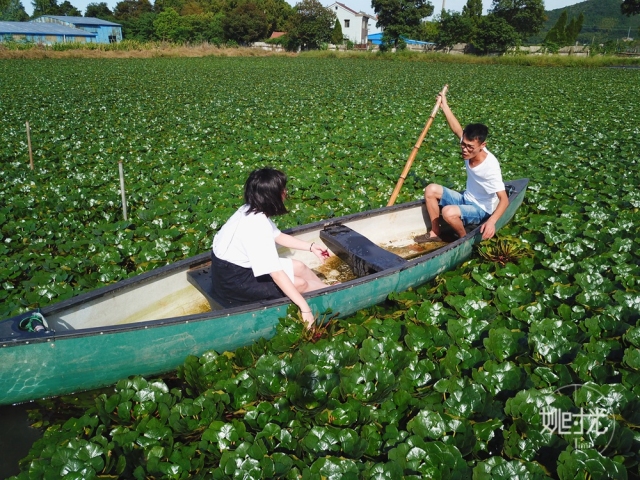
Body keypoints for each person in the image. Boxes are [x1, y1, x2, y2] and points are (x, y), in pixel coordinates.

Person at [211, 168, 330, 328]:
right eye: (282, 190)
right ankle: (323, 298)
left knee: (300, 267)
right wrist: (305, 309)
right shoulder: (256, 227)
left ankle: (328, 291)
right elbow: (277, 275)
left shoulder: (251, 209)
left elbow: (278, 236)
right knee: (300, 284)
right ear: (272, 196)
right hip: (234, 280)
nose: (286, 192)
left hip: (233, 268)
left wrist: (311, 247)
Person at [415, 91, 508, 243]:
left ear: (482, 146)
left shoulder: (490, 166)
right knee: (430, 189)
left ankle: (463, 239)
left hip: (482, 209)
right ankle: (435, 232)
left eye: (470, 147)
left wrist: (491, 222)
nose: (464, 149)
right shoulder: (467, 146)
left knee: (448, 212)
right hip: (466, 198)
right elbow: (456, 128)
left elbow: (504, 200)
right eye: (463, 144)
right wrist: (444, 104)